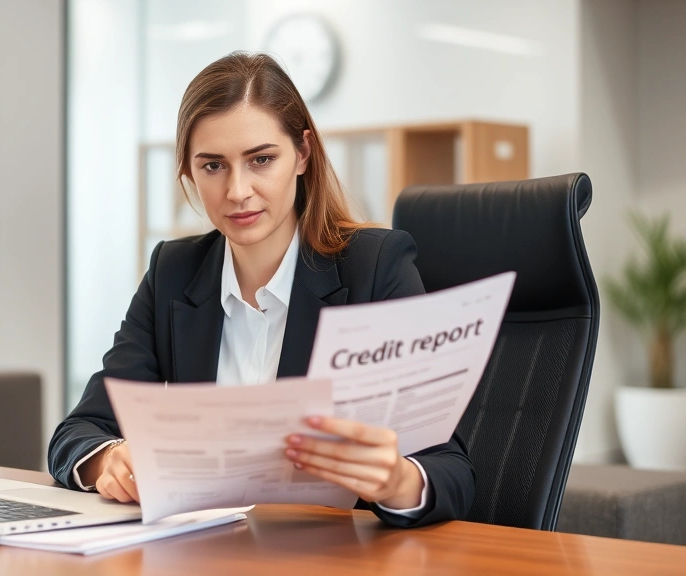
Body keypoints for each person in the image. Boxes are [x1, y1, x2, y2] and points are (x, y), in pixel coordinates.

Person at [49, 52, 474, 528]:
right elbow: (78, 432)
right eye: (213, 166)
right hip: (203, 553)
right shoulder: (173, 272)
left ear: (303, 154)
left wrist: (397, 481)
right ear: (188, 172)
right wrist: (109, 461)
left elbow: (451, 469)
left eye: (261, 160)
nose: (237, 191)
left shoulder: (374, 268)